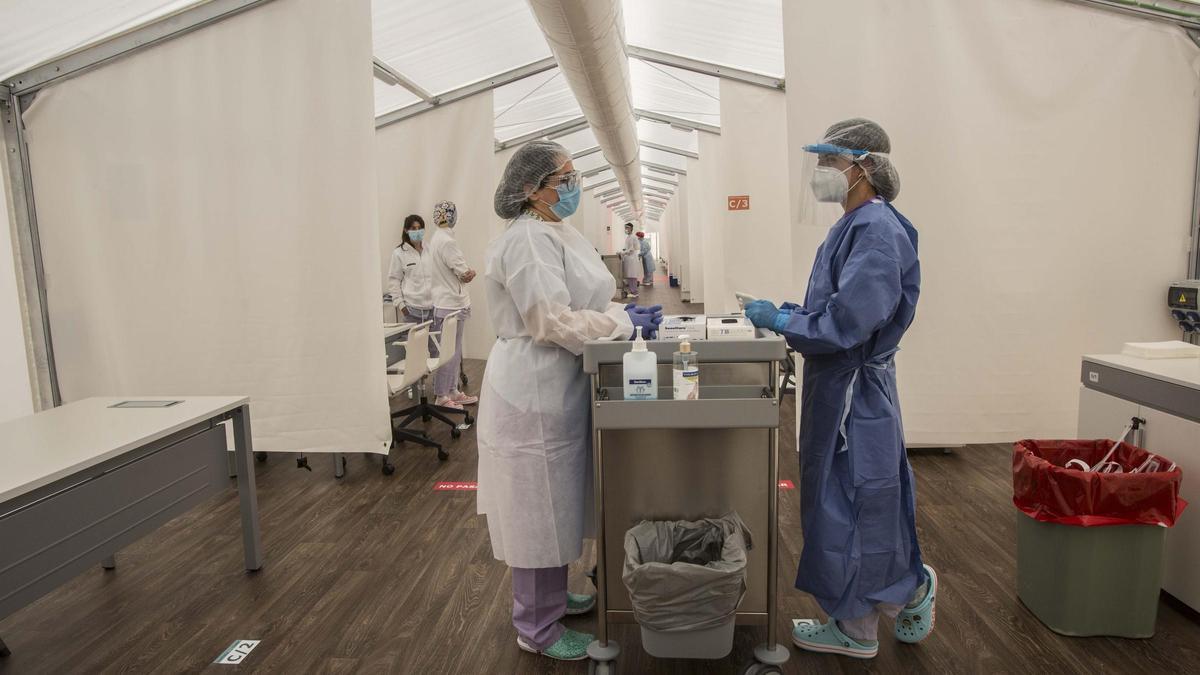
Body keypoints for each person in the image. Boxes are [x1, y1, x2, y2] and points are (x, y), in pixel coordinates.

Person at [744, 119, 936, 660]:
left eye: (831, 162)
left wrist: (784, 323)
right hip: (839, 385)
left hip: (856, 392)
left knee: (861, 500)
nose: (822, 174)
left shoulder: (876, 229)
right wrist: (786, 312)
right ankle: (861, 619)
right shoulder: (851, 226)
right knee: (840, 499)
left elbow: (848, 323)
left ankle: (900, 597)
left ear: (863, 166)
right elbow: (834, 308)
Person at [478, 140, 663, 662]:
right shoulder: (527, 240)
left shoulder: (553, 230)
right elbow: (550, 320)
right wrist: (624, 322)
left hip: (556, 381)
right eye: (563, 178)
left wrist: (620, 313)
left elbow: (584, 299)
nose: (573, 185)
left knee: (556, 499)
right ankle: (536, 627)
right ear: (531, 191)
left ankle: (552, 598)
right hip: (532, 385)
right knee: (537, 504)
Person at [425, 200, 478, 410]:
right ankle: (441, 395)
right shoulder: (447, 241)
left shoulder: (437, 239)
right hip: (451, 305)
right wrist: (471, 272)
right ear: (451, 215)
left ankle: (452, 390)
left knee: (454, 351)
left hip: (447, 303)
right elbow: (463, 274)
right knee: (449, 352)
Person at [385, 214, 433, 325]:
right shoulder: (399, 253)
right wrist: (401, 306)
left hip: (432, 310)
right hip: (412, 312)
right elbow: (394, 281)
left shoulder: (430, 250)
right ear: (406, 230)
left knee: (436, 343)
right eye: (413, 228)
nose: (417, 231)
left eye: (420, 228)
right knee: (415, 343)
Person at [620, 222, 641, 298]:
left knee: (632, 276)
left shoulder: (633, 237)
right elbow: (628, 248)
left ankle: (635, 292)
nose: (626, 229)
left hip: (632, 258)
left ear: (631, 228)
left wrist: (623, 252)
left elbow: (632, 249)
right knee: (630, 276)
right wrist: (624, 251)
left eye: (627, 228)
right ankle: (632, 291)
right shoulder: (628, 237)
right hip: (629, 258)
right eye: (625, 228)